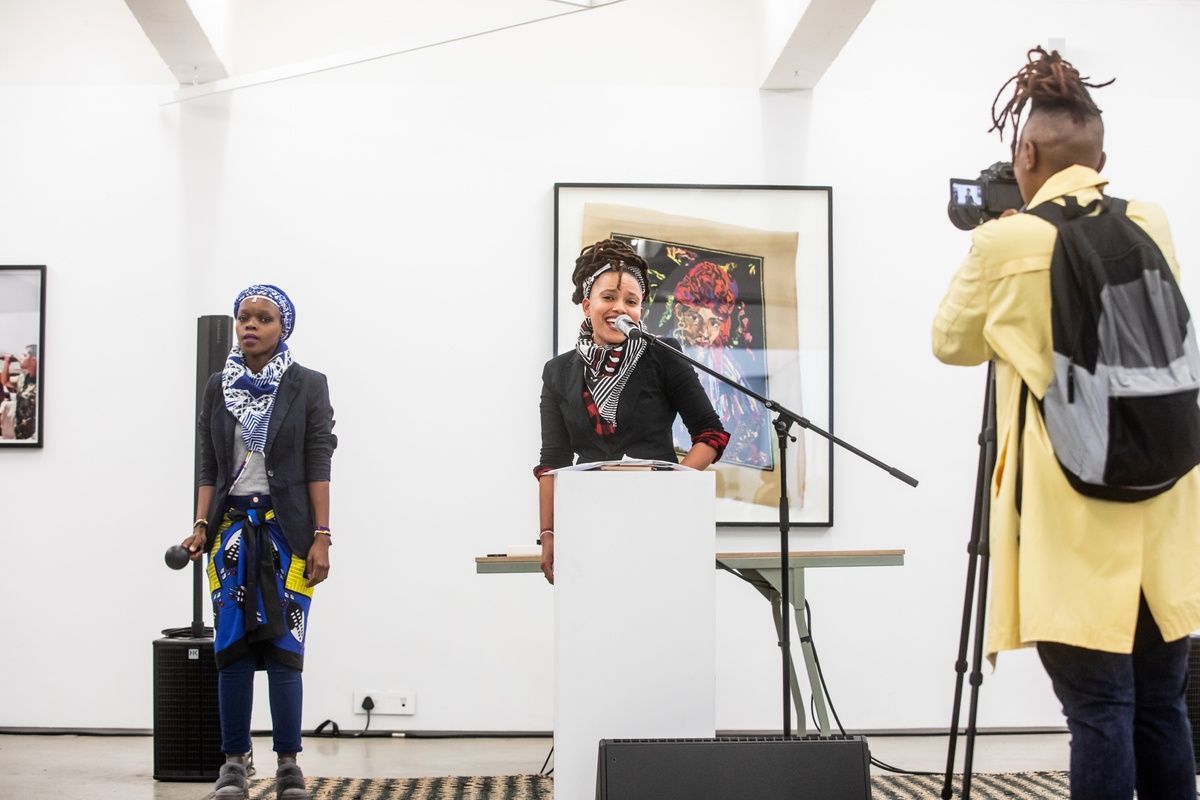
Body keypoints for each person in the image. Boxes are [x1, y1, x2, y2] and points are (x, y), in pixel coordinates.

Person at [932, 47, 1200, 799]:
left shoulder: (1005, 242)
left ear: (1026, 154)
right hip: (1166, 510)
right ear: (1102, 158)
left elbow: (950, 343)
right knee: (1161, 703)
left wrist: (1003, 243)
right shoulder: (1152, 221)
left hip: (1076, 517)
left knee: (1099, 709)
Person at [180, 285, 337, 800]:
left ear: (282, 327)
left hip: (287, 532)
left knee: (285, 645)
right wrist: (201, 523)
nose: (250, 326)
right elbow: (209, 462)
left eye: (263, 319)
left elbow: (318, 461)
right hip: (229, 534)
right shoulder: (216, 386)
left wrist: (321, 536)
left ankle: (289, 763)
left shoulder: (307, 385)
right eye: (243, 318)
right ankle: (233, 763)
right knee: (233, 647)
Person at [535, 238, 730, 584]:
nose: (620, 309)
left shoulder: (663, 355)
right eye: (608, 297)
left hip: (661, 521)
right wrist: (549, 533)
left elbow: (710, 434)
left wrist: (671, 487)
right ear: (586, 304)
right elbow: (553, 460)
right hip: (587, 523)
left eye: (631, 301)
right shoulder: (558, 372)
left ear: (641, 310)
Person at [670, 260, 770, 468]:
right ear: (679, 312)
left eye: (714, 322)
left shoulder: (726, 366)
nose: (704, 332)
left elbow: (753, 419)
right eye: (695, 318)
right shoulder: (660, 355)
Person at [1, 345, 38, 440]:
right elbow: (5, 381)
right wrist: (7, 363)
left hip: (34, 435)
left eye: (24, 355)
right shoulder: (23, 377)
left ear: (34, 359)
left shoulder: (43, 382)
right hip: (20, 431)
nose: (20, 357)